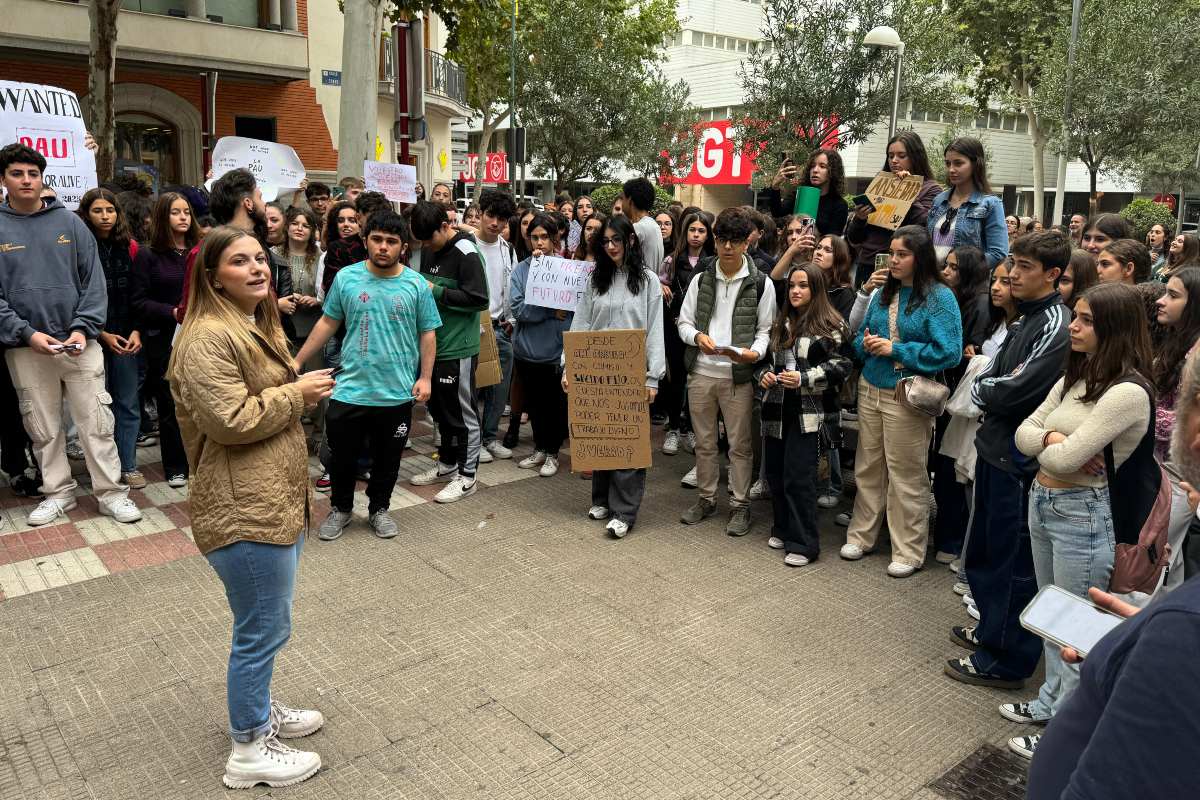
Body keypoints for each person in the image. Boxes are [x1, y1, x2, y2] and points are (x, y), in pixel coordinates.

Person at [170, 225, 334, 789]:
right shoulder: (206, 338)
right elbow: (230, 421)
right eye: (240, 262)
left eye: (260, 258)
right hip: (242, 508)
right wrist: (299, 394)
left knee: (268, 623)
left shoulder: (250, 323)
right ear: (212, 276)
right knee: (261, 627)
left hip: (269, 498)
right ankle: (248, 750)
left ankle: (260, 713)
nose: (257, 268)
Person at [1006, 283, 1152, 759]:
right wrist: (1053, 438)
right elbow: (1023, 433)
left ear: (1113, 328)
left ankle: (1066, 734)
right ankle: (1049, 702)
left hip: (1083, 515)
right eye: (1077, 316)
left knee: (1078, 628)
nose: (1073, 325)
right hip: (1044, 502)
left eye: (1087, 319)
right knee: (1053, 615)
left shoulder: (1127, 391)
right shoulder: (1077, 374)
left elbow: (1069, 460)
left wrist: (1050, 443)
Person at [945, 231, 1071, 690]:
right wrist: (985, 386)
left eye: (1024, 267)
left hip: (1017, 459)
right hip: (993, 449)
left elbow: (1010, 387)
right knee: (983, 554)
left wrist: (982, 388)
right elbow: (994, 375)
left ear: (1053, 275)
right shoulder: (1023, 319)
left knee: (1012, 561)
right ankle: (991, 631)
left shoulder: (1055, 323)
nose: (1013, 274)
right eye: (1012, 264)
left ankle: (1005, 659)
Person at [0, 143, 143, 527]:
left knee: (97, 422)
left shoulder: (70, 224)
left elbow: (94, 284)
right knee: (43, 428)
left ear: (42, 178)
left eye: (33, 173)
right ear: (3, 180)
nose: (27, 180)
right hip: (26, 349)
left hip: (80, 344)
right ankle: (58, 493)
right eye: (17, 173)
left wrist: (83, 327)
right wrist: (27, 334)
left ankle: (112, 494)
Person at [295, 211, 439, 540]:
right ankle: (341, 508)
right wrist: (298, 362)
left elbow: (428, 334)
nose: (383, 247)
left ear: (403, 247)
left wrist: (426, 378)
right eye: (377, 240)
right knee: (341, 457)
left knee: (387, 459)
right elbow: (327, 322)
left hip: (396, 391)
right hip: (349, 389)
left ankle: (379, 509)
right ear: (365, 241)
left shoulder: (416, 285)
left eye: (391, 241)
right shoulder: (347, 278)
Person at [840, 225, 961, 576]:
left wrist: (897, 349)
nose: (893, 260)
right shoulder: (883, 292)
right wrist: (869, 344)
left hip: (906, 394)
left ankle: (908, 550)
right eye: (892, 253)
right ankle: (861, 535)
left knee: (906, 472)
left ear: (920, 257)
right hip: (870, 386)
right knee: (867, 466)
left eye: (902, 254)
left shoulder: (940, 297)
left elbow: (950, 352)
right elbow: (860, 338)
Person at [676, 207, 776, 536]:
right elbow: (684, 322)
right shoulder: (702, 277)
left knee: (740, 445)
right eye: (722, 240)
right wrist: (697, 337)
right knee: (704, 442)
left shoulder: (762, 283)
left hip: (738, 374)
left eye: (734, 241)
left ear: (747, 242)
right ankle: (706, 499)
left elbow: (766, 330)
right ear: (715, 242)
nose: (727, 247)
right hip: (702, 371)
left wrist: (754, 353)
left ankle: (740, 505)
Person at [564, 215, 666, 538]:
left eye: (616, 240)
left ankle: (624, 511)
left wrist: (653, 376)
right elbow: (581, 323)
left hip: (631, 371)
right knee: (600, 436)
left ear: (631, 241)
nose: (610, 247)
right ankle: (602, 500)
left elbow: (654, 331)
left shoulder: (649, 281)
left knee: (628, 443)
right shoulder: (597, 279)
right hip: (595, 368)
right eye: (605, 241)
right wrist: (570, 365)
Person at [756, 263, 852, 566]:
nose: (796, 291)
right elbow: (763, 361)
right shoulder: (780, 322)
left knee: (799, 477)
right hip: (776, 408)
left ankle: (804, 543)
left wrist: (806, 378)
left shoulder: (832, 325)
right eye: (793, 285)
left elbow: (844, 366)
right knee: (776, 474)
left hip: (811, 412)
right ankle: (782, 529)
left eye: (804, 285)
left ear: (817, 289)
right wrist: (764, 375)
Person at [408, 201, 490, 501]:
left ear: (445, 226)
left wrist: (436, 291)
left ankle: (468, 476)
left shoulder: (467, 252)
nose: (426, 246)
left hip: (460, 349)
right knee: (439, 412)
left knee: (463, 414)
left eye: (430, 238)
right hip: (433, 347)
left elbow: (480, 299)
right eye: (422, 241)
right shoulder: (430, 247)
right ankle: (446, 463)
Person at [77, 188, 145, 490]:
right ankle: (103, 467)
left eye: (110, 210)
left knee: (128, 403)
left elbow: (139, 295)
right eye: (97, 211)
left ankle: (128, 464)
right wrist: (101, 334)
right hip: (93, 337)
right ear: (86, 214)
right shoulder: (79, 247)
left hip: (127, 336)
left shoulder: (130, 247)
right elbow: (76, 296)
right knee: (95, 406)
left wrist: (136, 331)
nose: (105, 217)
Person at [930, 245, 992, 563]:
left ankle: (951, 540)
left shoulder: (979, 303)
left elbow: (969, 352)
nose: (947, 272)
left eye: (954, 267)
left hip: (960, 398)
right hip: (950, 393)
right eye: (946, 265)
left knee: (951, 470)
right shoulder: (953, 297)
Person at [510, 213, 574, 476]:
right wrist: (548, 311)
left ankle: (552, 453)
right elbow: (518, 309)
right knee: (534, 404)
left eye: (544, 237)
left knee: (554, 405)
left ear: (554, 239)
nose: (539, 242)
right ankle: (539, 448)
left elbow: (572, 310)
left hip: (555, 352)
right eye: (534, 237)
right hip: (528, 351)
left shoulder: (569, 270)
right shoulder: (520, 270)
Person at [1151, 267, 1200, 589]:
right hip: (1158, 472)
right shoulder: (1174, 342)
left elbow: (1180, 422)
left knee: (1158, 563)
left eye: (1173, 295)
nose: (1160, 300)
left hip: (1178, 478)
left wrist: (1135, 410)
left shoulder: (1196, 354)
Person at [846, 131, 942, 285]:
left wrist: (908, 189)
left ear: (915, 157)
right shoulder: (880, 184)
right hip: (867, 264)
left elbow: (926, 226)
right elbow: (855, 238)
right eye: (890, 156)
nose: (894, 161)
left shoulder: (931, 189)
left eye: (901, 156)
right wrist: (859, 218)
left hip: (901, 269)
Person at [659, 211, 713, 457]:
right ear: (685, 232)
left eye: (702, 231)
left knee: (696, 381)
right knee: (676, 380)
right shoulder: (671, 260)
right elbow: (658, 286)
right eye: (692, 230)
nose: (696, 235)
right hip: (673, 328)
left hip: (701, 332)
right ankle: (672, 428)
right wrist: (661, 286)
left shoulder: (712, 262)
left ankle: (689, 429)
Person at [475, 188, 519, 463]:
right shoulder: (465, 244)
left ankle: (490, 437)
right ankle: (472, 441)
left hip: (500, 326)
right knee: (472, 388)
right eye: (491, 216)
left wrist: (511, 320)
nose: (496, 223)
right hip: (474, 326)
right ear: (480, 213)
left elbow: (511, 288)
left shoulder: (508, 249)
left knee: (499, 388)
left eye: (502, 219)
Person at [928, 137, 1008, 267]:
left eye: (958, 163)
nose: (951, 169)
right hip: (933, 281)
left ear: (976, 164)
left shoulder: (990, 204)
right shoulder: (939, 200)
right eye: (948, 163)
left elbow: (998, 253)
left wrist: (959, 267)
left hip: (968, 284)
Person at [764, 148, 849, 238]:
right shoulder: (799, 194)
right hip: (793, 248)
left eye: (822, 166)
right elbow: (777, 212)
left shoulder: (839, 205)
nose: (815, 170)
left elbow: (832, 240)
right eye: (812, 166)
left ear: (833, 171)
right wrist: (775, 186)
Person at [271, 207, 323, 353]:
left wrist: (317, 300)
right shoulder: (272, 254)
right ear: (287, 226)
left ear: (312, 231)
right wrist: (280, 300)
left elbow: (329, 292)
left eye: (306, 226)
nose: (299, 228)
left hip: (314, 331)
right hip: (280, 330)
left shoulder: (322, 257)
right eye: (295, 223)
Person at [619, 177, 663, 272]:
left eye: (622, 199)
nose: (621, 205)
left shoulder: (638, 228)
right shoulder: (653, 225)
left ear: (630, 200)